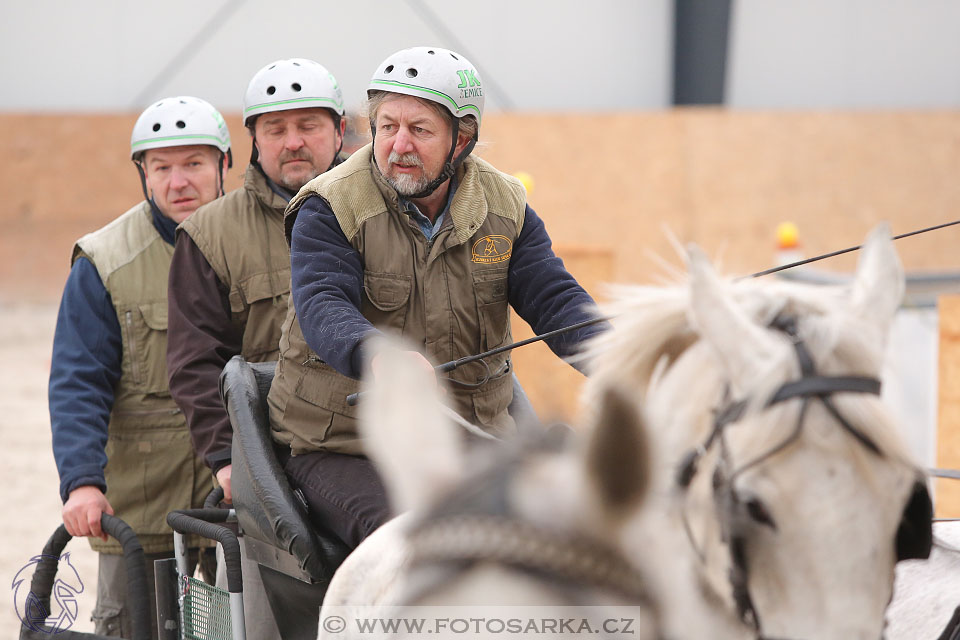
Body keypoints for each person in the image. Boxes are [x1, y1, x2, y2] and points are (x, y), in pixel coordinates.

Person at [266, 46, 609, 550]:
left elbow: (555, 301)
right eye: (387, 127)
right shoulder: (329, 204)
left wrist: (625, 359)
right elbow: (322, 304)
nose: (399, 145)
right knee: (418, 544)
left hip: (472, 440)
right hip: (346, 447)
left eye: (419, 130)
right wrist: (379, 355)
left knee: (566, 538)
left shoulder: (506, 205)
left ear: (462, 138)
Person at [166, 59, 345, 640]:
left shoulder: (385, 215)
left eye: (309, 125)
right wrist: (227, 463)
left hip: (365, 456)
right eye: (274, 128)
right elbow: (195, 365)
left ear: (339, 131)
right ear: (252, 141)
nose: (292, 142)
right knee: (265, 629)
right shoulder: (209, 236)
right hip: (265, 482)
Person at [49, 96, 231, 638]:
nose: (179, 182)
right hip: (143, 514)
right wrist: (81, 483)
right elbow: (78, 383)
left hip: (241, 513)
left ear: (225, 164)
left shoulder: (257, 241)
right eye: (162, 167)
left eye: (194, 164)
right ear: (143, 175)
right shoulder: (104, 263)